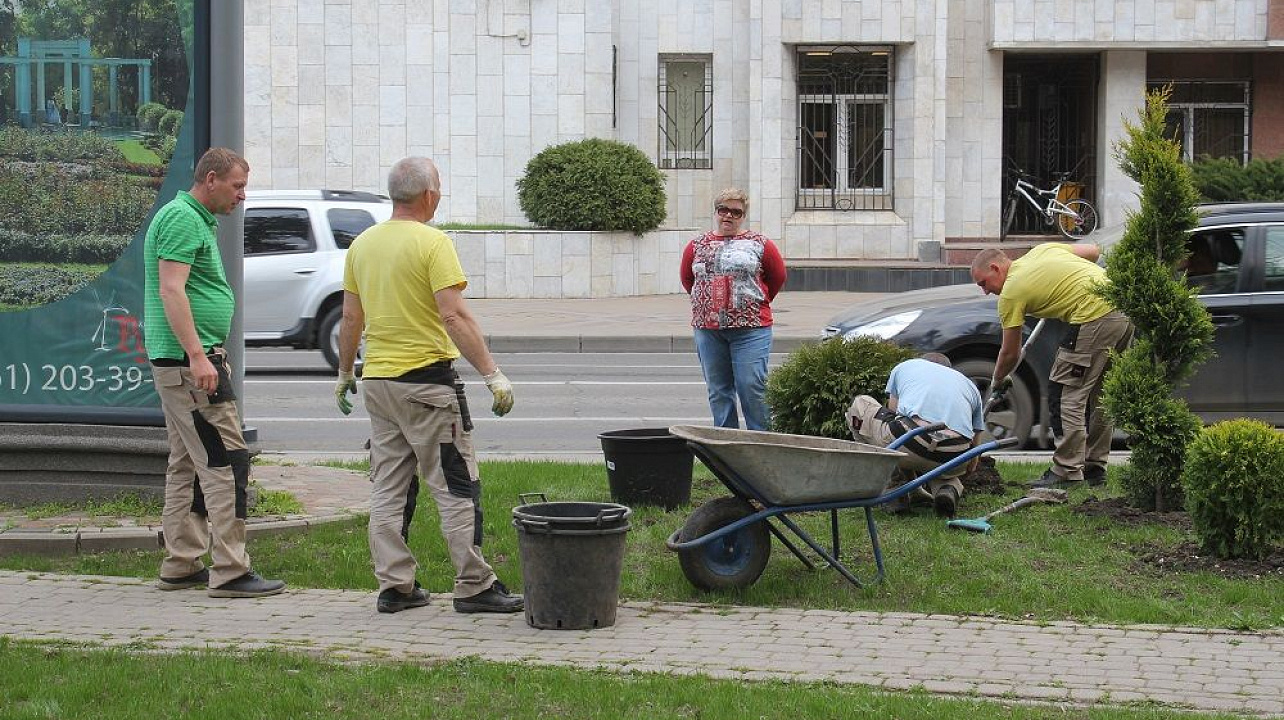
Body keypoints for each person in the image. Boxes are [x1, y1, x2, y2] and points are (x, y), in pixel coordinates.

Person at [333, 156, 523, 615]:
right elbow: (453, 314)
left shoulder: (362, 245)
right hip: (428, 386)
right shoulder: (433, 243)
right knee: (456, 484)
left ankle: (395, 587)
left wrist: (344, 373)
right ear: (428, 195)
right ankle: (474, 586)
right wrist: (491, 374)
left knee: (389, 486)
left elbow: (351, 317)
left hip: (377, 383)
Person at [143, 147, 285, 598]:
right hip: (192, 364)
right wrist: (198, 357)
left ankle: (182, 563)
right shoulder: (183, 219)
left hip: (186, 361)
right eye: (237, 186)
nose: (242, 196)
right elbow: (172, 290)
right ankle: (230, 569)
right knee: (227, 459)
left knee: (187, 460)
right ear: (210, 179)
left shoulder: (189, 217)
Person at [970, 243, 1134, 488]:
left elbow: (1010, 352)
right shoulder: (1043, 251)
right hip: (1122, 309)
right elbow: (1094, 252)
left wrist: (997, 380)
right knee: (1100, 394)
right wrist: (1064, 281)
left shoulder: (1011, 292)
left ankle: (1067, 471)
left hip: (1094, 316)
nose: (985, 292)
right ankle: (1094, 468)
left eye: (983, 283)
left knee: (1065, 392)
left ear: (995, 268)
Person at [680, 188, 787, 431]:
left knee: (752, 386)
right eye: (723, 210)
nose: (728, 216)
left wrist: (751, 303)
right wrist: (707, 305)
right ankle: (726, 444)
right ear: (716, 212)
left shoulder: (760, 244)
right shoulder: (697, 245)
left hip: (751, 330)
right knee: (718, 390)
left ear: (743, 216)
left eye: (736, 212)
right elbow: (688, 280)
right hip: (708, 330)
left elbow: (777, 277)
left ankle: (760, 442)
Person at [847, 353, 986, 518]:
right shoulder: (969, 386)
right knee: (940, 459)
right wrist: (961, 468)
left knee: (860, 404)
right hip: (954, 456)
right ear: (950, 370)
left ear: (922, 361)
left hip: (910, 441)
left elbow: (894, 415)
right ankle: (948, 488)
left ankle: (894, 489)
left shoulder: (905, 367)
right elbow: (975, 452)